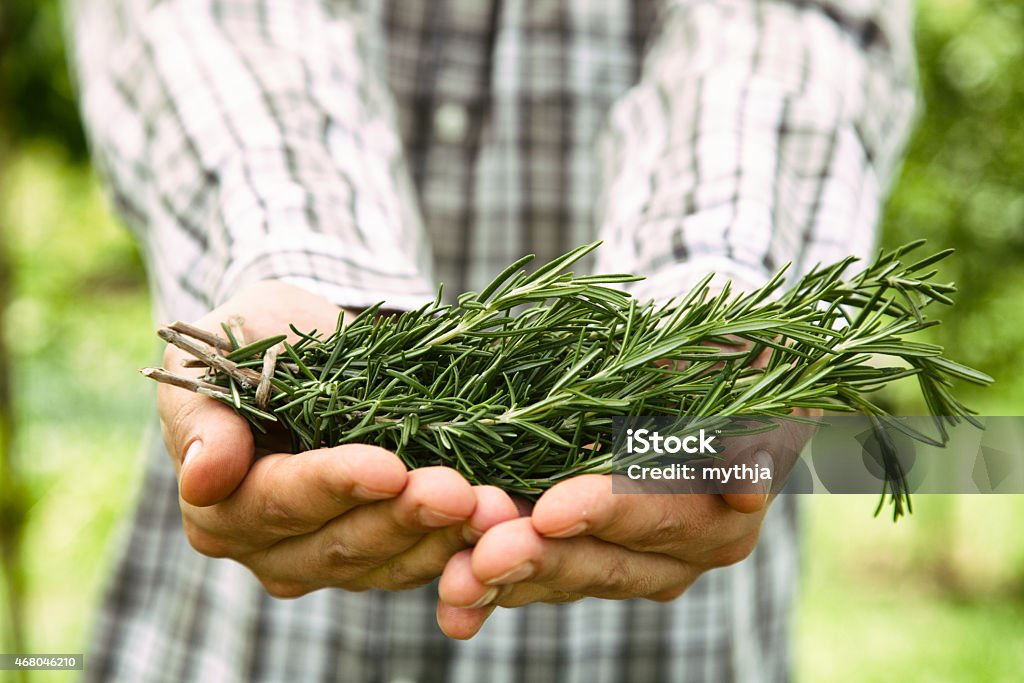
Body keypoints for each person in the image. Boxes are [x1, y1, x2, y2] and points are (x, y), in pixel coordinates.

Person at [67, 0, 916, 680]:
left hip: (655, 630)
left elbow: (797, 23)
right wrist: (296, 262)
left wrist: (718, 286)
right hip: (239, 637)